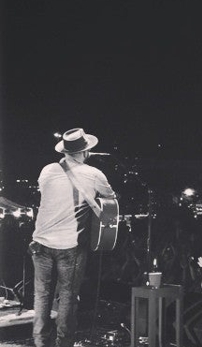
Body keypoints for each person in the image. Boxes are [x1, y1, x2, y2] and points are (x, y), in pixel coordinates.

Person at [29, 128, 116, 347]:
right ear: (85, 151)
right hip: (70, 246)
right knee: (68, 296)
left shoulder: (47, 170)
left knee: (42, 296)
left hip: (40, 243)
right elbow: (110, 198)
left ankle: (40, 343)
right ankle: (64, 343)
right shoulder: (94, 174)